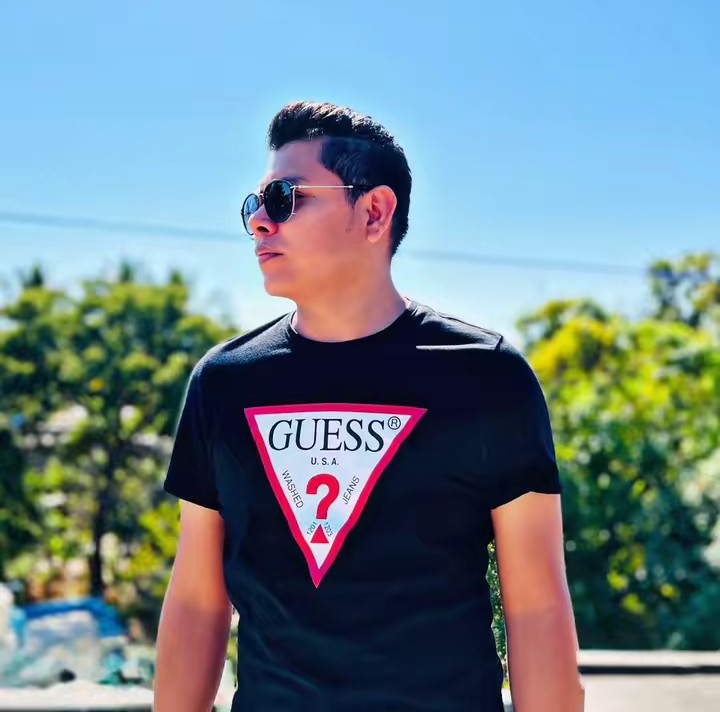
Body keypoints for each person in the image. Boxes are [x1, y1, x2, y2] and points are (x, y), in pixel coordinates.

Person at [153, 101, 585, 712]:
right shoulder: (223, 383)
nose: (259, 223)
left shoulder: (486, 376)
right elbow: (198, 601)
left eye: (284, 197)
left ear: (375, 211)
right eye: (254, 205)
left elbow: (536, 607)